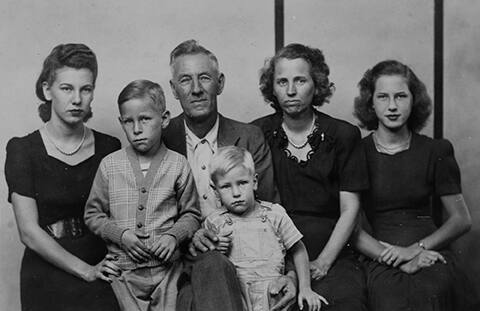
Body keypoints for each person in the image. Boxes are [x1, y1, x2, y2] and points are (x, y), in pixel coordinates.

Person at [162, 39, 296, 311]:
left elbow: (271, 211)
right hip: (182, 267)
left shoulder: (249, 137)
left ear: (220, 83)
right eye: (186, 80)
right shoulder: (161, 140)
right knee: (209, 267)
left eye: (205, 78)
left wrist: (292, 275)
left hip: (250, 265)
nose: (197, 89)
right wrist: (189, 237)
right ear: (173, 89)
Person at [4, 43, 121, 311]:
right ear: (47, 90)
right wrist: (86, 271)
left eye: (86, 89)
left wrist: (99, 270)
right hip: (46, 272)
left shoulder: (109, 147)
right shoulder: (23, 150)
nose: (77, 99)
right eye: (66, 88)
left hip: (102, 264)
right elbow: (28, 232)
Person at [252, 43, 368, 311]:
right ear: (272, 87)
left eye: (300, 80)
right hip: (275, 253)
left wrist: (324, 262)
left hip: (333, 253)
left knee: (344, 304)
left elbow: (350, 210)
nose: (291, 90)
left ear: (316, 84)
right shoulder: (258, 132)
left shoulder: (344, 135)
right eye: (282, 82)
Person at [352, 59, 472, 311]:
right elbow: (350, 228)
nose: (393, 106)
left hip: (430, 248)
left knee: (433, 290)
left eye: (401, 96)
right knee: (389, 298)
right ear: (370, 103)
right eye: (383, 97)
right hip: (380, 254)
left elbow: (461, 219)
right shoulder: (357, 153)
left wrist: (415, 250)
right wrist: (396, 257)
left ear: (413, 100)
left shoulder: (436, 150)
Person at [84, 79, 201, 311]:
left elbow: (192, 214)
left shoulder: (178, 164)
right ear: (121, 122)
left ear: (164, 119)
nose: (136, 129)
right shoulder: (110, 165)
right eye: (128, 121)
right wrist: (120, 234)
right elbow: (92, 214)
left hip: (167, 272)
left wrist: (173, 236)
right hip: (123, 273)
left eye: (145, 119)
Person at [205, 146, 328, 311]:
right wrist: (214, 247)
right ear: (215, 191)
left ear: (254, 182)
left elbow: (298, 250)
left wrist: (305, 288)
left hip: (273, 294)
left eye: (242, 183)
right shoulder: (214, 222)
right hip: (235, 298)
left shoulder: (275, 214)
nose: (236, 193)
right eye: (226, 186)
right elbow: (206, 263)